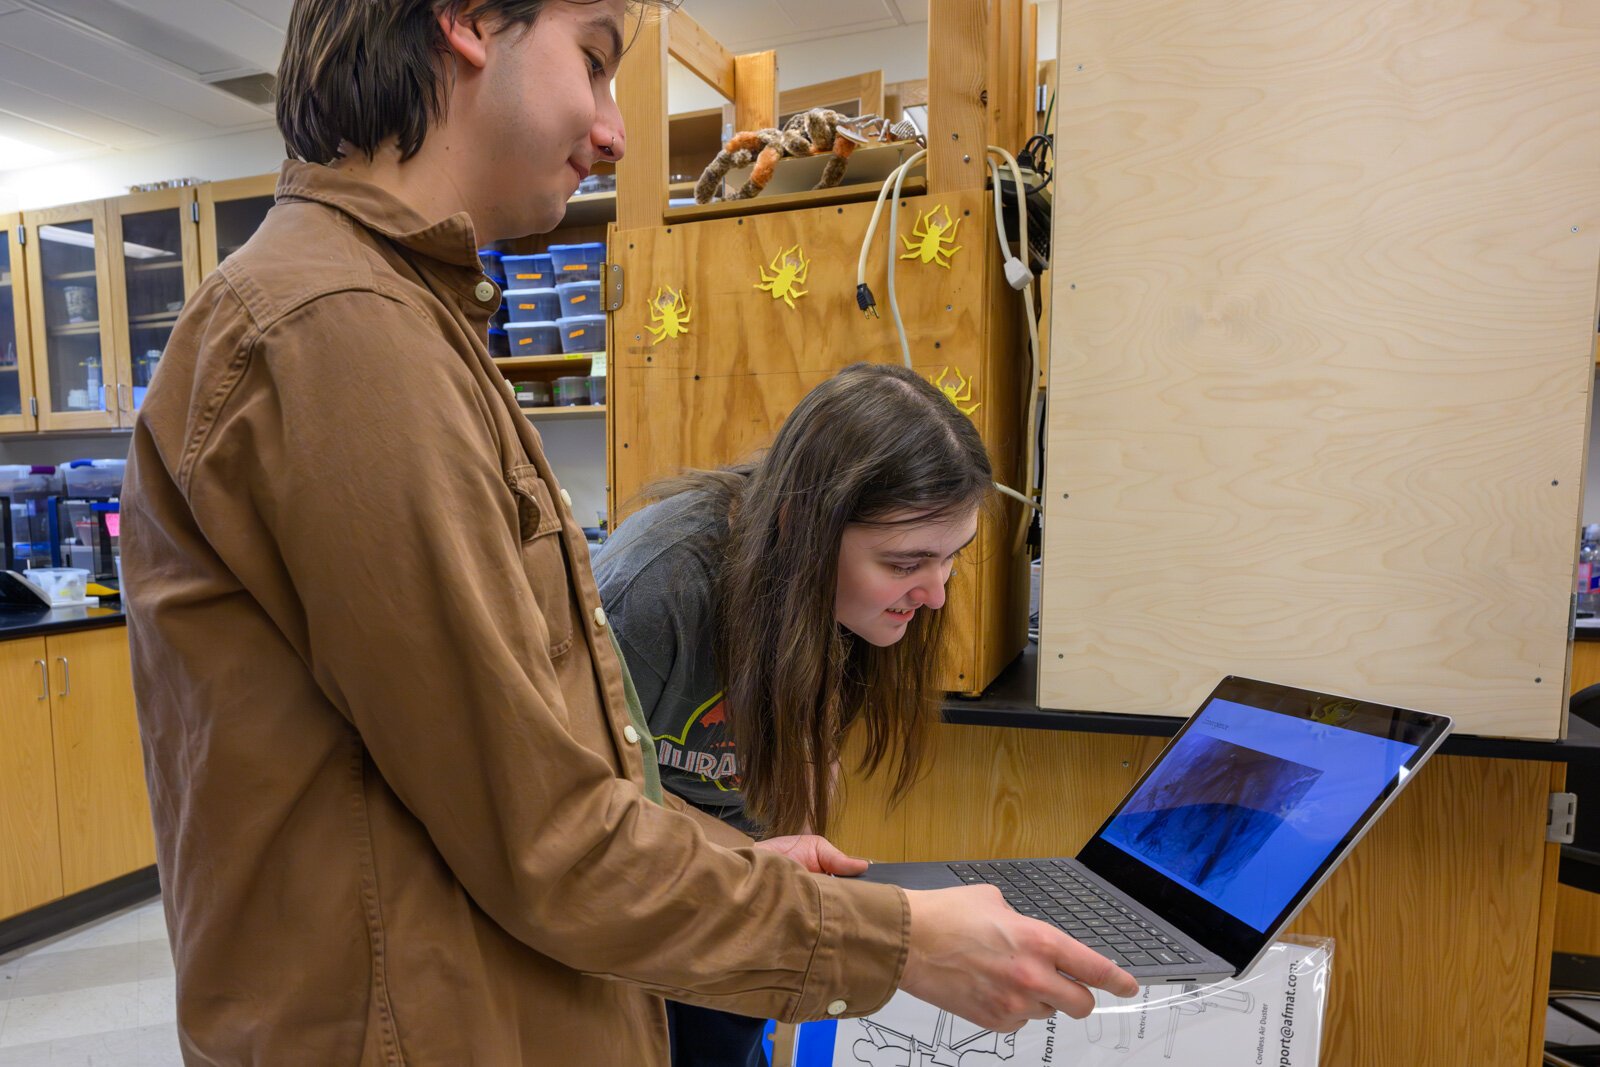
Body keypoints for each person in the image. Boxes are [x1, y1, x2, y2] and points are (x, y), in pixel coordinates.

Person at [119, 1, 1138, 1062]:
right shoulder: (338, 333)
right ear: (466, 23)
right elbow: (548, 840)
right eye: (595, 60)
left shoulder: (404, 323)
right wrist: (897, 939)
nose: (612, 132)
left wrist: (730, 862)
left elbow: (515, 786)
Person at [595, 361, 994, 1066]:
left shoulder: (843, 592)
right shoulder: (655, 586)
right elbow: (586, 806)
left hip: (738, 872)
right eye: (906, 564)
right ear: (802, 528)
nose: (935, 593)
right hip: (632, 896)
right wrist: (750, 862)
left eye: (951, 557)